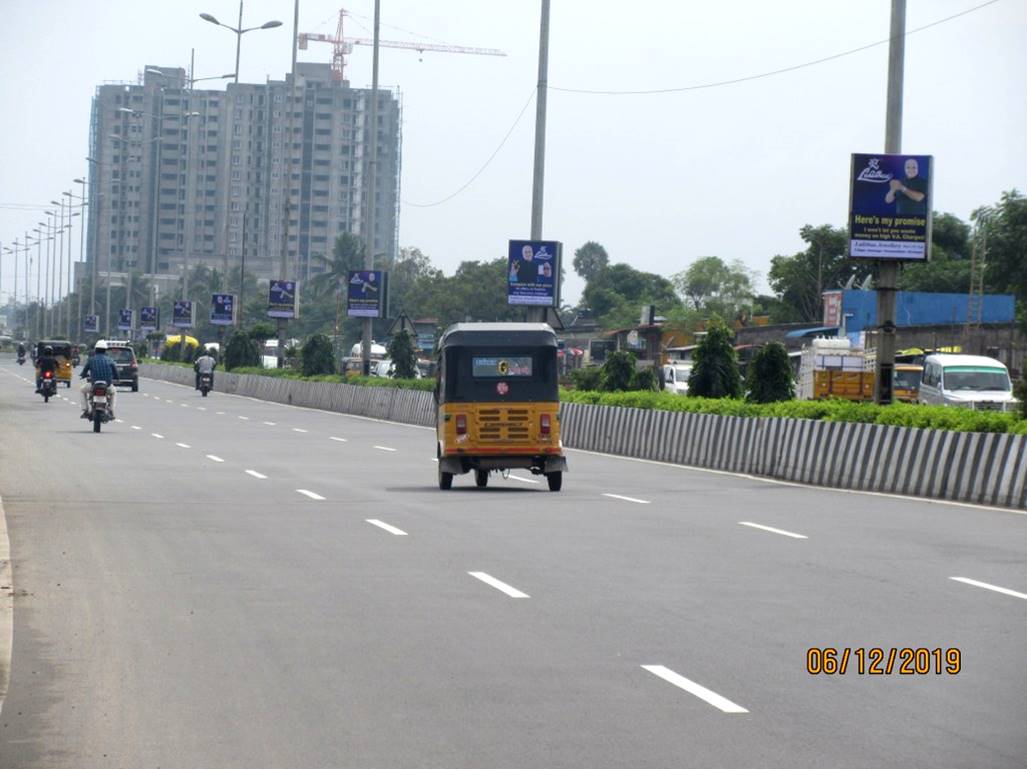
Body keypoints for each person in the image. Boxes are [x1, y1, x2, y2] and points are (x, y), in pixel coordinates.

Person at [80, 341, 119, 419]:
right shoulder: (110, 360)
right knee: (114, 392)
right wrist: (117, 378)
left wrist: (83, 375)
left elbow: (84, 372)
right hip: (107, 386)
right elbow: (115, 372)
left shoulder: (91, 360)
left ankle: (85, 410)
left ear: (96, 350)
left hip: (93, 385)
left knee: (82, 390)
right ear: (105, 350)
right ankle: (111, 410)